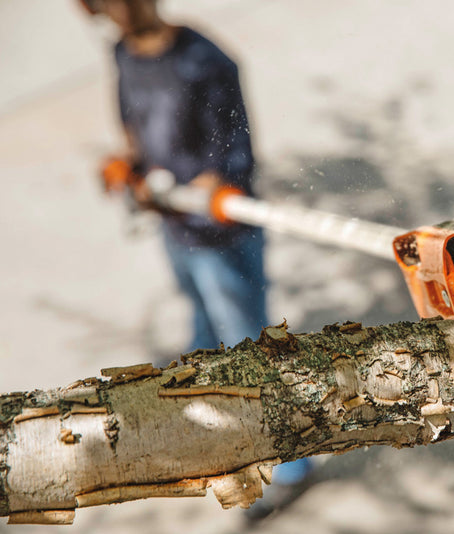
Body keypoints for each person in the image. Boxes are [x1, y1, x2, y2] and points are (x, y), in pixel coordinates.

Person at [80, 0, 313, 517]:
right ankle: (199, 403)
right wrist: (128, 165)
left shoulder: (206, 61)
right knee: (201, 321)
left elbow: (238, 151)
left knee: (252, 351)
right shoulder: (124, 54)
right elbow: (132, 123)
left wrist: (217, 182)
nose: (116, 12)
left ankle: (293, 468)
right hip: (175, 227)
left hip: (222, 236)